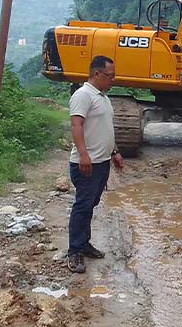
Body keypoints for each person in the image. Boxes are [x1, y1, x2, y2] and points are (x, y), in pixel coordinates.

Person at [67, 55, 124, 273]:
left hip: (101, 162)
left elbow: (105, 128)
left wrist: (115, 152)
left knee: (91, 204)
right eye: (110, 76)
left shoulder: (103, 97)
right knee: (82, 206)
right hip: (86, 163)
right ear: (97, 73)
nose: (113, 80)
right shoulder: (83, 95)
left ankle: (84, 243)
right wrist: (83, 155)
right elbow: (76, 125)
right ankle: (74, 252)